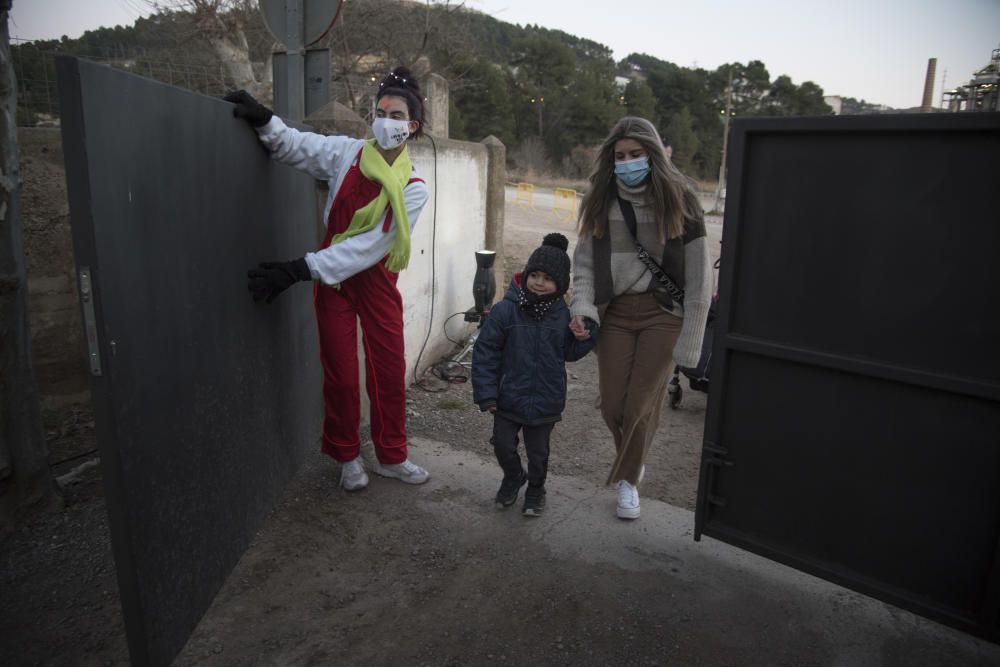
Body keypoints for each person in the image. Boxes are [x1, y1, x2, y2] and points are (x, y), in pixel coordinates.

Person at [224, 67, 431, 491]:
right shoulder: (347, 153)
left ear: (411, 126)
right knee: (339, 372)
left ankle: (392, 456)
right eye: (380, 112)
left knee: (388, 371)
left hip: (374, 281)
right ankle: (347, 456)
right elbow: (297, 146)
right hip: (334, 282)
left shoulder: (414, 187)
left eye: (395, 115)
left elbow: (373, 246)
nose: (384, 120)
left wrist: (302, 268)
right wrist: (264, 118)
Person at [569, 117, 712, 520]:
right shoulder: (599, 198)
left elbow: (701, 272)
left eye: (636, 154)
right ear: (610, 159)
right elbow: (583, 264)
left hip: (664, 313)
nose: (628, 162)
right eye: (620, 156)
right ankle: (634, 463)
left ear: (653, 153)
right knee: (613, 406)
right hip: (615, 312)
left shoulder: (681, 197)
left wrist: (692, 336)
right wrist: (581, 307)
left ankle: (629, 481)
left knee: (640, 403)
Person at [472, 233, 598, 517]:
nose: (539, 282)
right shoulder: (506, 311)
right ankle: (514, 476)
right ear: (526, 275)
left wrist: (588, 332)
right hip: (508, 398)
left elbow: (570, 352)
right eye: (535, 275)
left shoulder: (564, 316)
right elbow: (485, 353)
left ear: (560, 284)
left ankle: (536, 488)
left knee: (539, 453)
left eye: (548, 278)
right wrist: (487, 393)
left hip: (546, 399)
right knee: (503, 445)